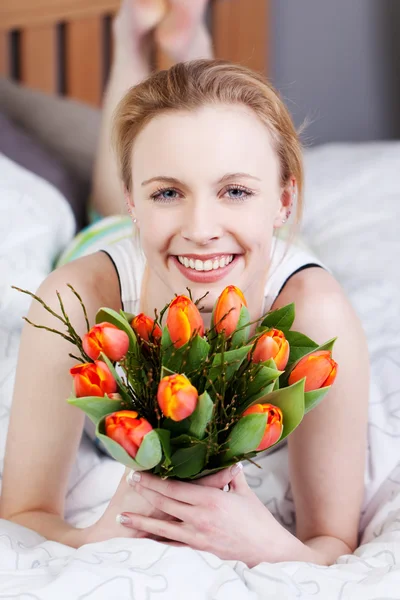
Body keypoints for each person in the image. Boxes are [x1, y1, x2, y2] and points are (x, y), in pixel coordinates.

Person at [0, 0, 370, 568]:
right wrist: (98, 536)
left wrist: (264, 543)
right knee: (108, 198)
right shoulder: (75, 302)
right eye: (166, 192)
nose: (201, 230)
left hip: (254, 255)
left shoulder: (314, 314)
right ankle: (130, 44)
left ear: (285, 199)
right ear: (136, 202)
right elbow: (23, 514)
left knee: (198, 143)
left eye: (237, 191)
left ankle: (185, 39)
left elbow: (333, 540)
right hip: (117, 246)